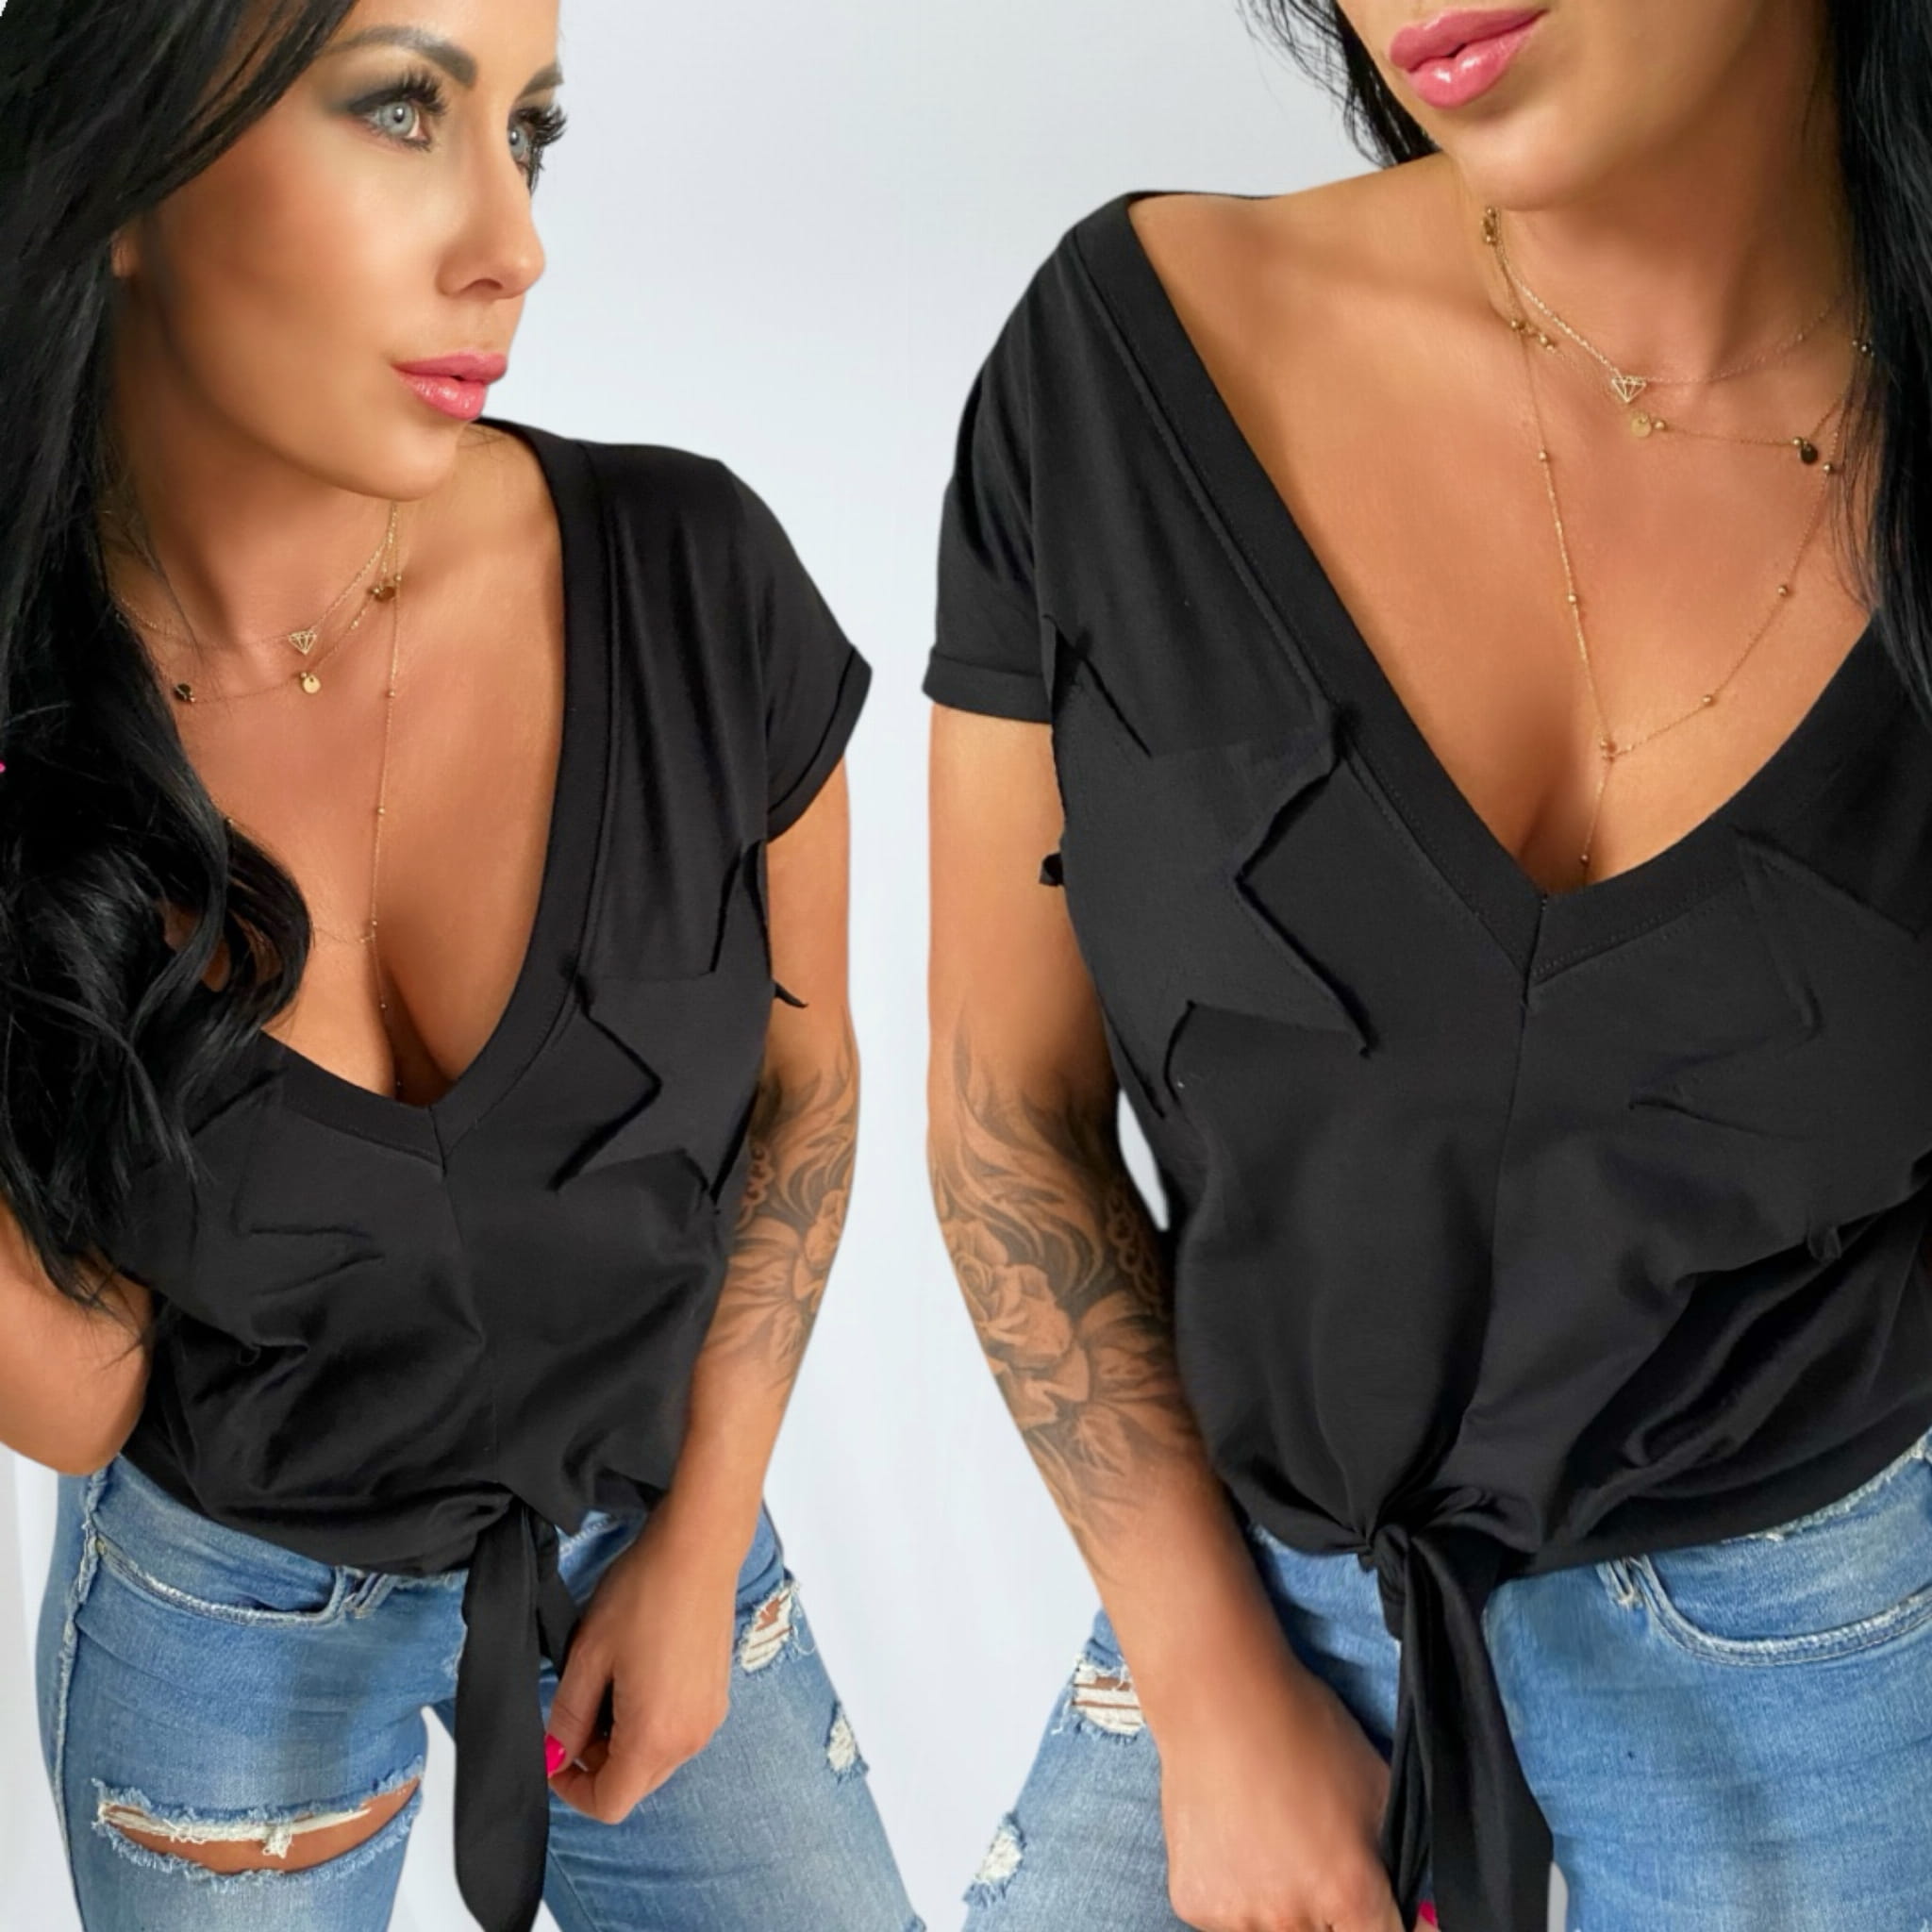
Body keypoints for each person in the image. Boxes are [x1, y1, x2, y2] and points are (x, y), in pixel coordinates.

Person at [924, 3, 1932, 1929]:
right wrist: (1213, 1700)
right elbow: (1005, 1121)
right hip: (1256, 1636)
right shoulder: (1125, 370)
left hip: (1835, 1673)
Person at [0, 5, 918, 1930]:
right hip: (228, 1619)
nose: (515, 243)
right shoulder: (31, 720)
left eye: (531, 131)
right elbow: (77, 1391)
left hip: (652, 1532)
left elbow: (806, 1084)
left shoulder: (690, 575)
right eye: (402, 110)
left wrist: (700, 1548)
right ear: (122, 180)